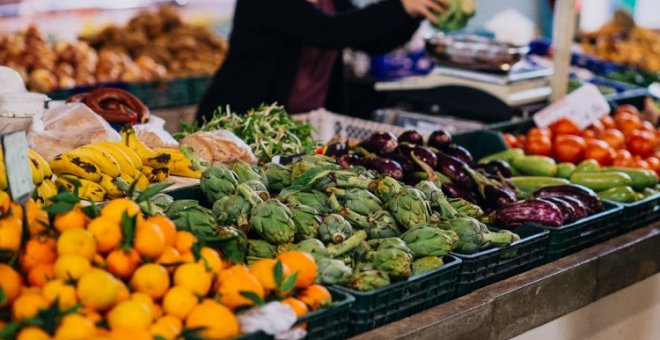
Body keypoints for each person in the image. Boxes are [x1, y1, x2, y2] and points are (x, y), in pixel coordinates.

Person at [196, 0, 448, 122]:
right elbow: (328, 31)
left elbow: (371, 41)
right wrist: (400, 7)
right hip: (241, 122)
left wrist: (414, 13)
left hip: (307, 126)